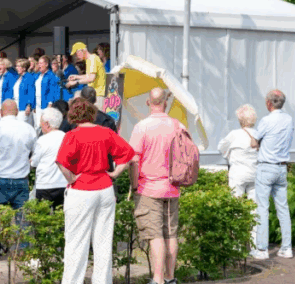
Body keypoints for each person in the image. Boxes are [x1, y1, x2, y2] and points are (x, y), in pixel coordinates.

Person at [57, 98, 134, 284]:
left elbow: (61, 162)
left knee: (76, 242)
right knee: (103, 242)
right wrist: (114, 173)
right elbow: (128, 154)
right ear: (92, 113)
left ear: (73, 115)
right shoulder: (106, 132)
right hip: (105, 187)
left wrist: (71, 178)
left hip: (82, 188)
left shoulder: (72, 135)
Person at [128, 88, 183, 284]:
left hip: (148, 188)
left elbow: (133, 160)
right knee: (171, 234)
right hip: (172, 188)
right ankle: (170, 278)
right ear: (165, 103)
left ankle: (158, 280)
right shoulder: (177, 125)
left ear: (148, 103)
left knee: (155, 236)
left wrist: (134, 185)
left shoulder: (141, 127)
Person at [0, 100, 37, 253]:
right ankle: (22, 251)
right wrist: (27, 165)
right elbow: (35, 154)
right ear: (17, 111)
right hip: (21, 178)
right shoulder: (28, 129)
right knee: (22, 219)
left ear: (0, 112)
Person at [249, 90, 293, 260]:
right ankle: (286, 248)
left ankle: (261, 249)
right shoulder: (289, 119)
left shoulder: (266, 121)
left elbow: (254, 142)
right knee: (283, 208)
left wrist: (256, 141)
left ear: (269, 103)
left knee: (262, 208)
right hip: (282, 168)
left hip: (266, 167)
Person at [218, 104, 259, 249]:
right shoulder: (259, 133)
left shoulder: (234, 134)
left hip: (238, 174)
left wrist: (229, 155)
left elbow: (221, 147)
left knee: (236, 208)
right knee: (254, 210)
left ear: (240, 119)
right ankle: (255, 246)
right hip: (255, 174)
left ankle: (237, 245)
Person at [30, 107, 68, 208]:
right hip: (64, 183)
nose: (39, 125)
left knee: (42, 218)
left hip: (45, 184)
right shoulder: (67, 137)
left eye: (41, 122)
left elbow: (34, 163)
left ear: (47, 124)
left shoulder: (42, 140)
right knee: (60, 219)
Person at [68, 42, 107, 109]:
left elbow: (91, 78)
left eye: (76, 54)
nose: (76, 56)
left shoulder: (92, 59)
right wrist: (76, 77)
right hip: (94, 95)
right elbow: (89, 75)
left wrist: (76, 82)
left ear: (81, 51)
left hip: (98, 95)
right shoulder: (90, 59)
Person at [34, 56, 59, 133]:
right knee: (36, 125)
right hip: (37, 104)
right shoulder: (38, 75)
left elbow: (52, 90)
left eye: (41, 63)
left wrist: (50, 103)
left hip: (45, 104)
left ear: (46, 64)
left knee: (43, 125)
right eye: (38, 63)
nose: (39, 65)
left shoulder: (51, 75)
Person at [12, 58, 35, 127]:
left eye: (19, 66)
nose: (17, 68)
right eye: (16, 66)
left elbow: (31, 92)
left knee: (22, 126)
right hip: (17, 106)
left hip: (23, 107)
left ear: (24, 68)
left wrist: (29, 105)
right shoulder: (18, 77)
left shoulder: (29, 77)